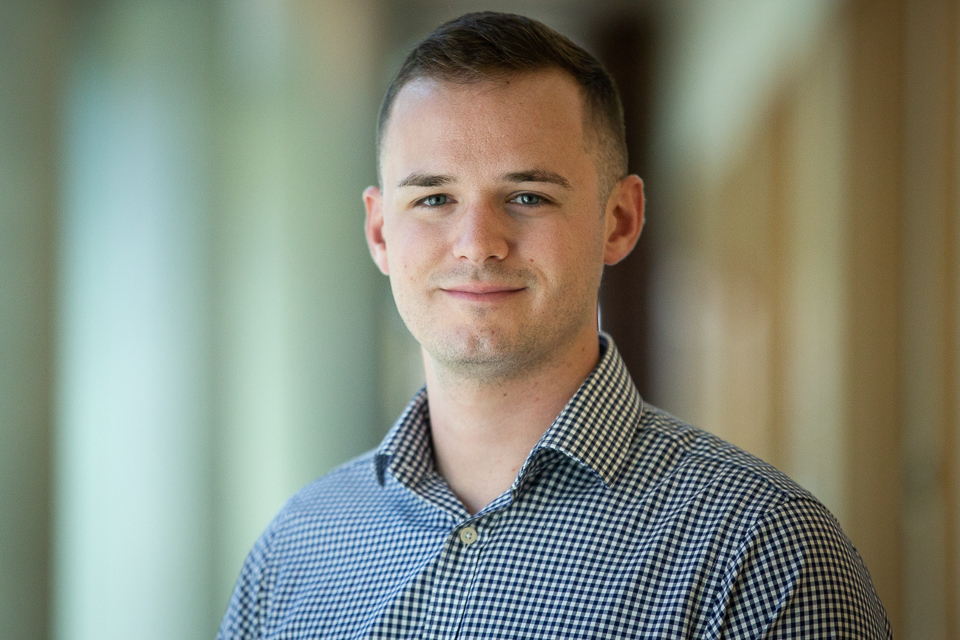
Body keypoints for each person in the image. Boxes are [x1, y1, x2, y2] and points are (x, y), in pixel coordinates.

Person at [219, 12, 891, 639]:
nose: (478, 244)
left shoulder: (767, 554)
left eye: (527, 196)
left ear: (620, 220)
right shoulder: (293, 553)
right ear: (378, 231)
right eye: (434, 198)